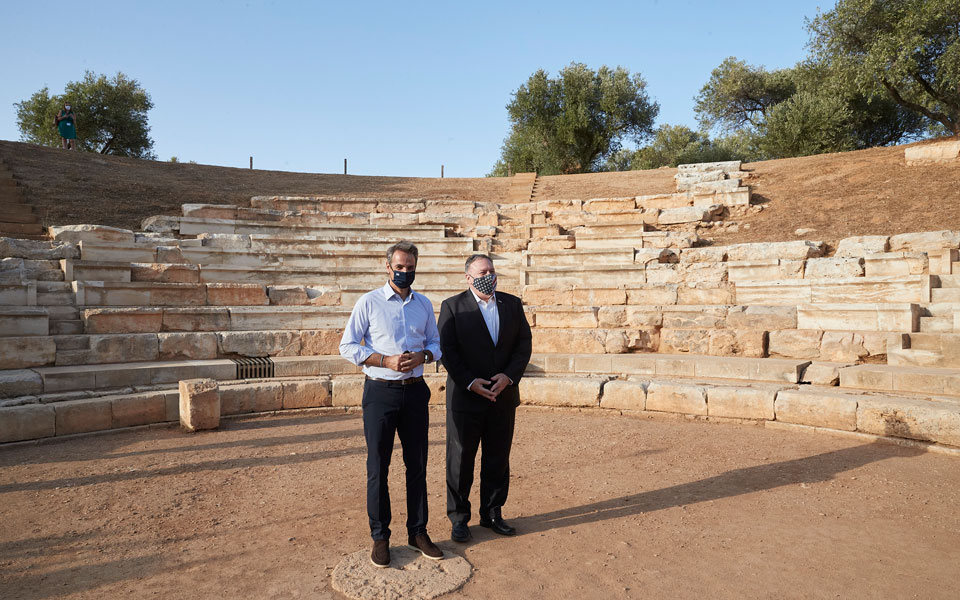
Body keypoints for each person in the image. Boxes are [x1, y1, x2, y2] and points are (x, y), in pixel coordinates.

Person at [339, 240, 444, 568]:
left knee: (418, 465)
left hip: (415, 392)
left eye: (409, 268)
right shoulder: (369, 303)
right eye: (399, 268)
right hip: (380, 392)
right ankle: (380, 537)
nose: (404, 273)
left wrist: (424, 355)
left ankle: (418, 531)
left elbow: (436, 344)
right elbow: (347, 346)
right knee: (378, 467)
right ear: (388, 267)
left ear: (415, 268)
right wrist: (385, 360)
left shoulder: (423, 304)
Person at [439, 254, 532, 543]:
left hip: (502, 396)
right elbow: (448, 350)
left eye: (491, 270)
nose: (489, 275)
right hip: (467, 398)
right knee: (461, 460)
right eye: (482, 271)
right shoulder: (452, 307)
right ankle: (459, 518)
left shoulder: (512, 304)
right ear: (468, 277)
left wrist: (508, 376)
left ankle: (493, 513)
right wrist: (470, 382)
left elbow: (523, 345)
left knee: (498, 458)